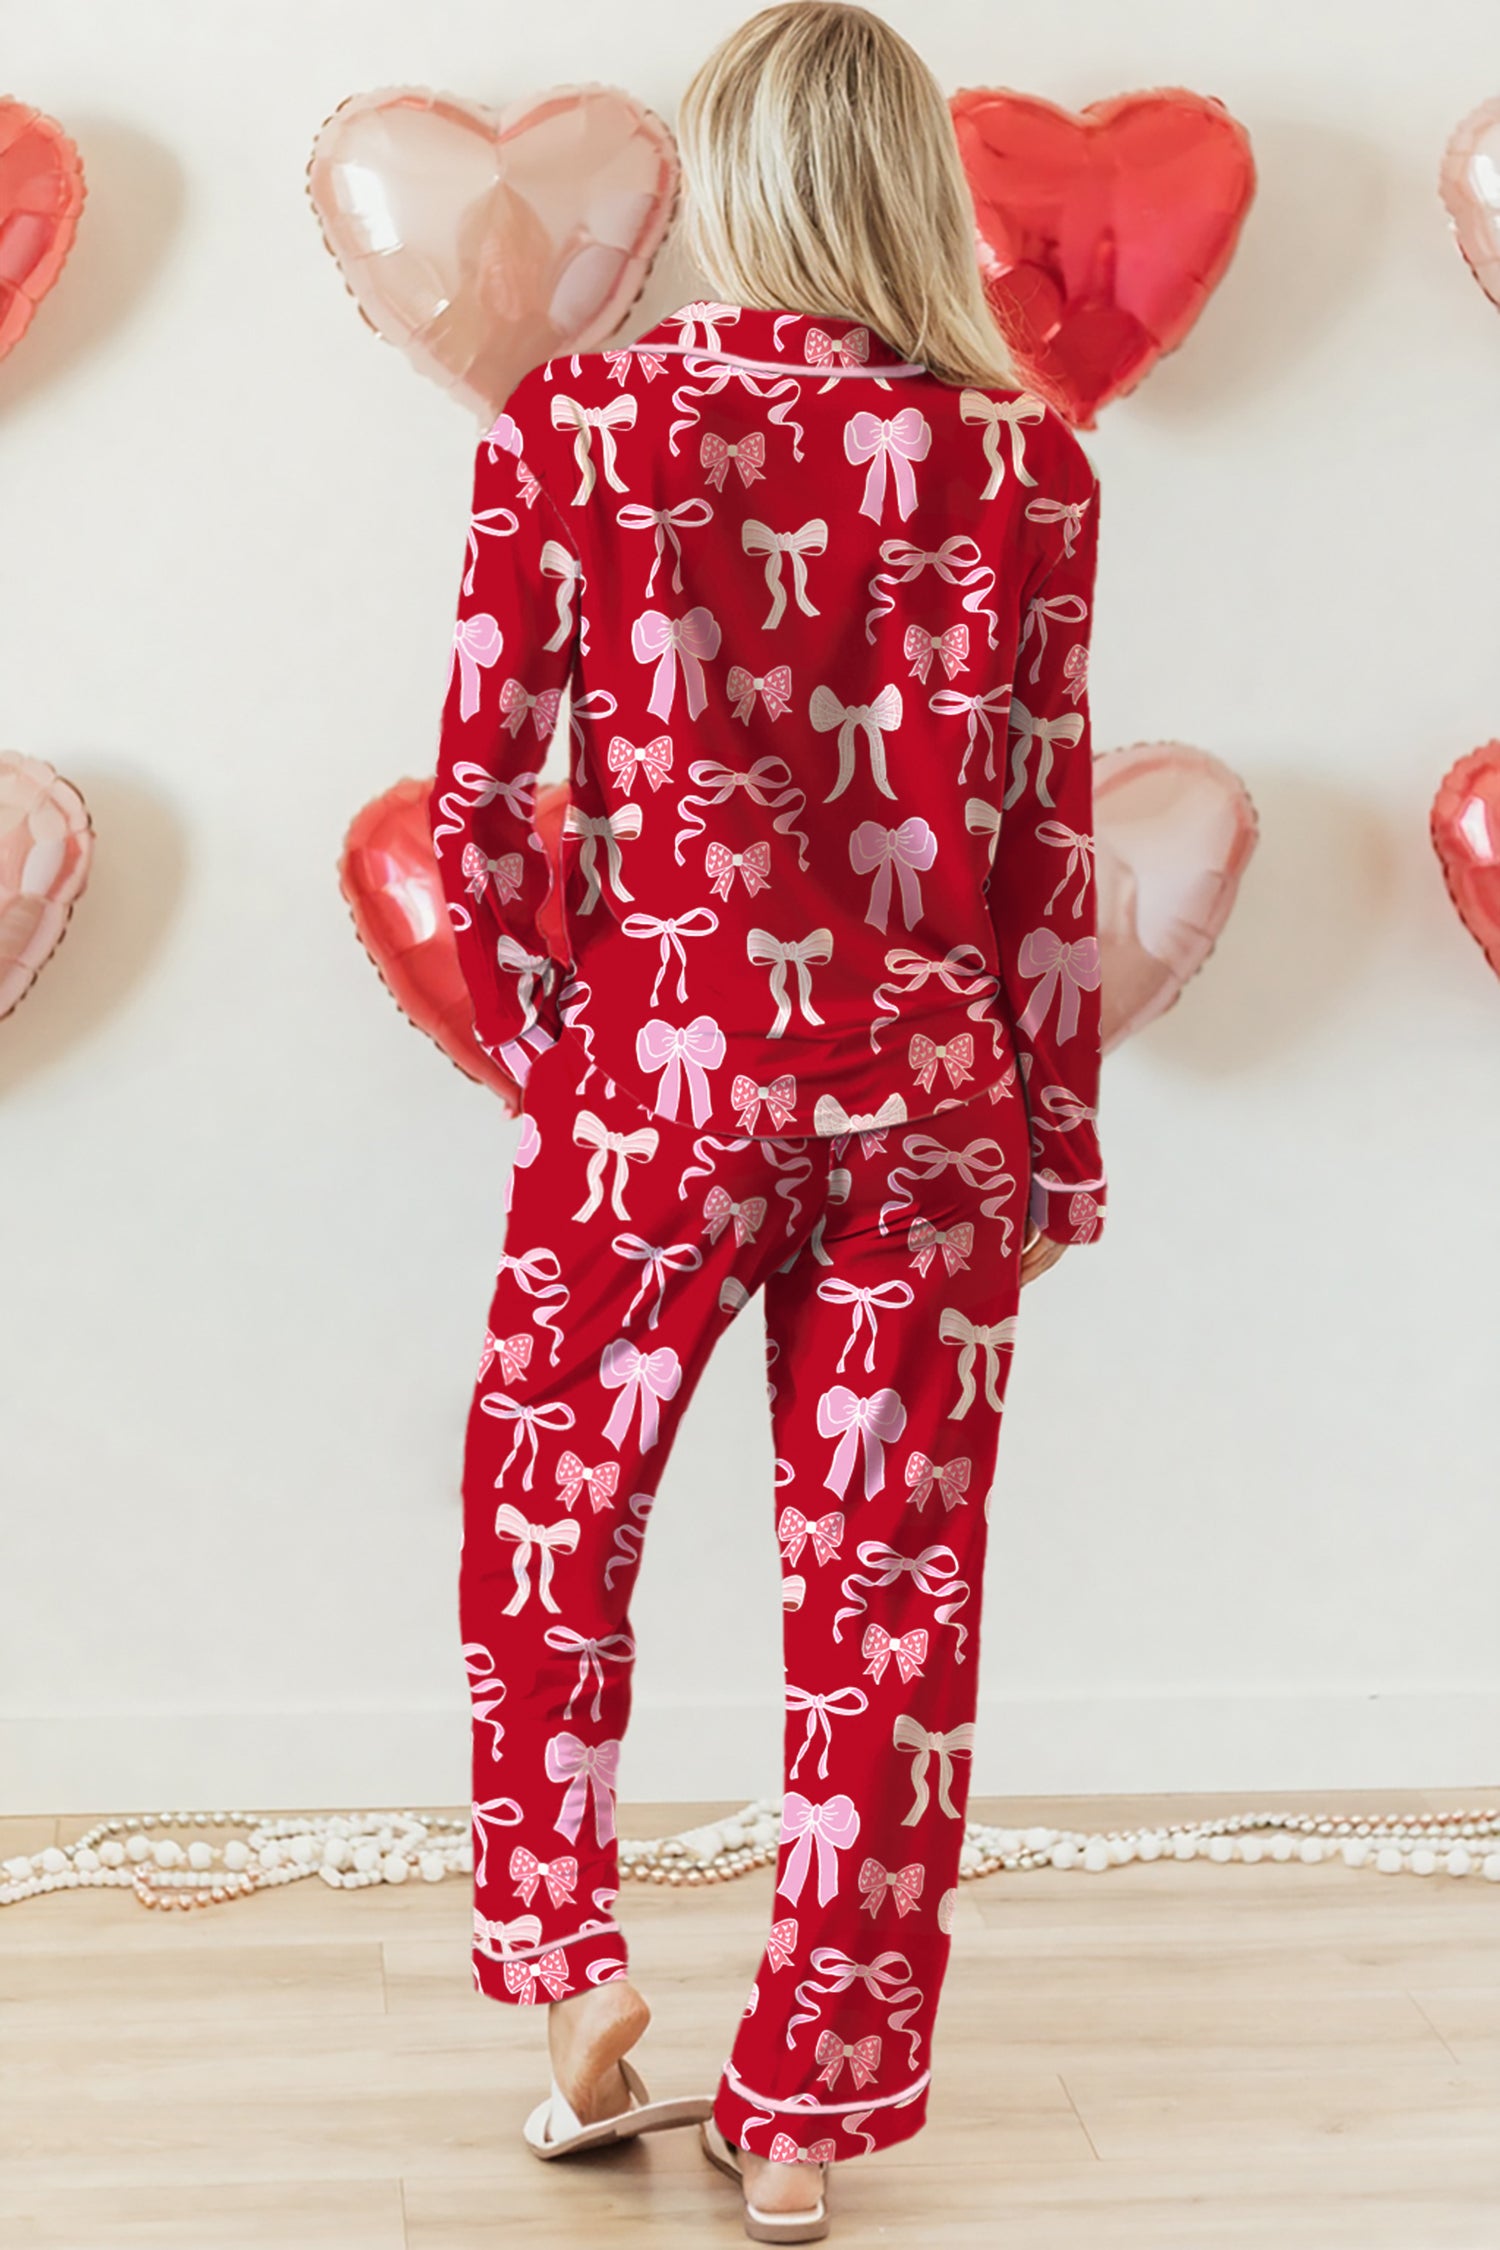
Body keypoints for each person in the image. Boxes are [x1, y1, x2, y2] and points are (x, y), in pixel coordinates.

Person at [429, 5, 1106, 2239]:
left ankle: (571, 1968)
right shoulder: (1026, 465)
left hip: (657, 1078)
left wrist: (566, 1057)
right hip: (932, 1104)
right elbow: (1037, 838)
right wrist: (1059, 1139)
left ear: (731, 178)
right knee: (893, 1602)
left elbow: (480, 802)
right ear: (906, 179)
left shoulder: (578, 428)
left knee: (550, 1510)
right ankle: (805, 2104)